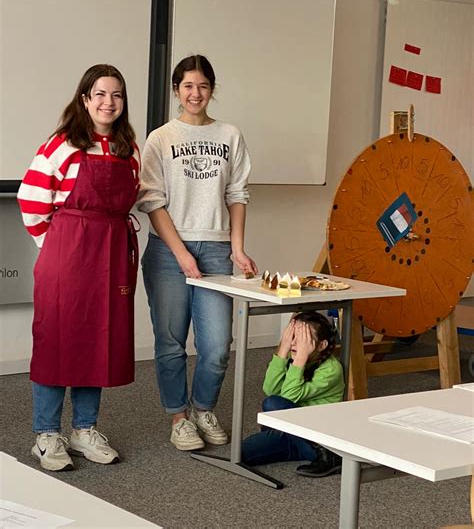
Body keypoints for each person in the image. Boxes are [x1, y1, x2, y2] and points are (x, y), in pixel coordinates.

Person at [17, 64, 141, 471]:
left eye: (117, 95)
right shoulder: (63, 144)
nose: (109, 102)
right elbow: (31, 200)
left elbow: (133, 197)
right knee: (55, 340)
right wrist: (56, 244)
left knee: (97, 340)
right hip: (67, 253)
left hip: (110, 252)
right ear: (85, 99)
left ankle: (84, 429)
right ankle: (47, 434)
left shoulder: (128, 148)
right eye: (101, 94)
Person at [137, 54, 257, 451]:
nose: (195, 93)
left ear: (212, 90)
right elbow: (153, 202)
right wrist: (182, 254)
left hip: (217, 249)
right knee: (171, 342)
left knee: (217, 346)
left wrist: (237, 248)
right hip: (169, 252)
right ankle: (179, 417)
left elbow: (237, 195)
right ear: (176, 90)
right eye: (187, 86)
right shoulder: (161, 138)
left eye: (203, 86)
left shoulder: (230, 135)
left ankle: (204, 408)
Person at [241, 312, 345, 477]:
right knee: (242, 453)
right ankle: (295, 446)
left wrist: (300, 358)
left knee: (272, 404)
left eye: (304, 338)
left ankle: (329, 457)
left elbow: (286, 398)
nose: (296, 343)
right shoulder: (292, 357)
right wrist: (283, 350)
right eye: (293, 336)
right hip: (293, 432)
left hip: (319, 436)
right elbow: (270, 389)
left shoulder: (331, 370)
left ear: (321, 345)